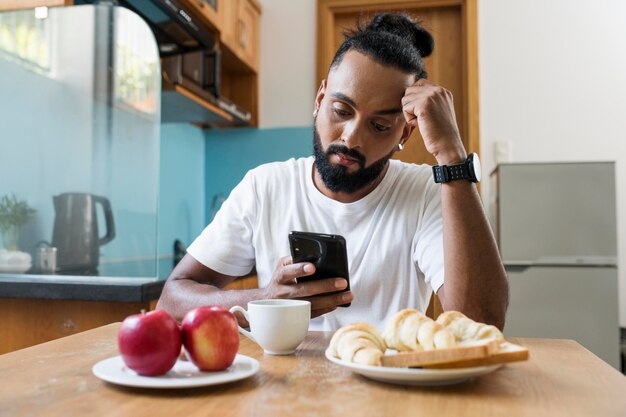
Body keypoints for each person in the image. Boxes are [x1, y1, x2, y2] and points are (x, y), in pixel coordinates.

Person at [157, 13, 509, 331]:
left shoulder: (427, 194)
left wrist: (451, 155)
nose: (352, 137)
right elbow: (171, 300)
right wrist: (266, 300)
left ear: (405, 133)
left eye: (380, 126)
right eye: (341, 110)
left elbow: (482, 322)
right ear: (319, 100)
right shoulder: (265, 187)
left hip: (388, 396)